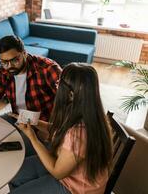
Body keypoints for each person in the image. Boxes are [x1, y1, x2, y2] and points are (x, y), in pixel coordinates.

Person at [10, 63, 113, 194]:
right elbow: (59, 130)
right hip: (66, 167)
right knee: (14, 173)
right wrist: (33, 121)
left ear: (71, 94)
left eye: (59, 83)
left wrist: (32, 137)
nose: (56, 85)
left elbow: (57, 172)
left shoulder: (79, 132)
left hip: (76, 188)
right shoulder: (84, 110)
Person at [0, 35, 62, 156]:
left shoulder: (48, 69)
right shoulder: (4, 70)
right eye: (4, 62)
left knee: (11, 153)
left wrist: (49, 128)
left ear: (24, 53)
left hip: (42, 125)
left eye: (15, 60)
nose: (10, 66)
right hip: (17, 117)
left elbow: (69, 105)